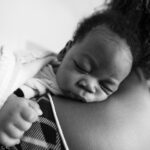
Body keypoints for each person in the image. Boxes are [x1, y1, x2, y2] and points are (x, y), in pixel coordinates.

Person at [0, 0, 150, 149]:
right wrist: (8, 102)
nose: (89, 86)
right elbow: (9, 78)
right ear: (64, 52)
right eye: (82, 67)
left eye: (106, 87)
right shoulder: (39, 73)